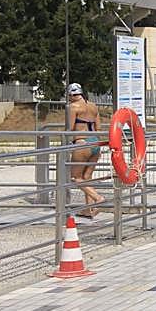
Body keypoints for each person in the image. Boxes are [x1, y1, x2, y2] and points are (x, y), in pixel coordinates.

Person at [66, 83, 105, 218]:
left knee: (76, 178)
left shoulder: (73, 107)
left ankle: (98, 198)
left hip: (82, 143)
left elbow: (70, 128)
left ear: (71, 95)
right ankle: (88, 209)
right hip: (95, 142)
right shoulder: (93, 106)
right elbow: (98, 127)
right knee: (87, 177)